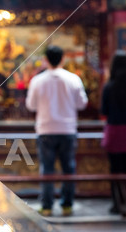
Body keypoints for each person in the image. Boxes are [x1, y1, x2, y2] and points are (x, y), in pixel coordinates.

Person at [26, 46, 88, 216]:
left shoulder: (37, 80)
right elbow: (82, 104)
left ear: (46, 59)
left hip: (45, 129)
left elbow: (30, 105)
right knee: (69, 168)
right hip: (67, 129)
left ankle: (46, 206)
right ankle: (67, 205)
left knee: (47, 169)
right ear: (63, 59)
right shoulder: (73, 79)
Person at [101, 50, 126, 214]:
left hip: (114, 130)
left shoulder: (108, 87)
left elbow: (104, 110)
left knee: (115, 169)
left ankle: (117, 204)